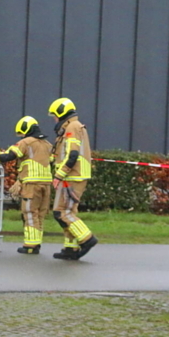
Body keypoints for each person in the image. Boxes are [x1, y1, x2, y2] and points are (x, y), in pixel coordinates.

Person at [0, 116, 53, 254]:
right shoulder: (47, 144)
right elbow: (52, 159)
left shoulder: (25, 142)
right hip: (46, 184)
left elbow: (9, 156)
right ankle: (37, 242)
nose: (21, 135)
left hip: (31, 184)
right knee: (40, 215)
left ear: (26, 129)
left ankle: (30, 245)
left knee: (29, 213)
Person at [48, 98, 98, 260]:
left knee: (61, 212)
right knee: (68, 212)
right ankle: (71, 248)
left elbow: (73, 154)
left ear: (62, 113)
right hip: (73, 175)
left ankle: (87, 239)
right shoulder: (71, 127)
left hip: (72, 176)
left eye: (54, 115)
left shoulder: (72, 127)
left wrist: (59, 175)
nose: (54, 119)